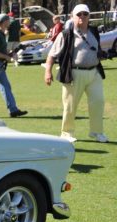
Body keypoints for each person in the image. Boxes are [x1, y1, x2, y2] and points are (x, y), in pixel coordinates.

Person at [44, 4, 108, 143]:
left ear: (89, 16)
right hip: (73, 73)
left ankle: (97, 132)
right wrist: (48, 72)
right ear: (73, 16)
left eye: (85, 14)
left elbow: (96, 49)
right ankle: (67, 133)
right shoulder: (65, 34)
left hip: (94, 72)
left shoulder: (94, 31)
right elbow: (52, 55)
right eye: (79, 14)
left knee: (98, 102)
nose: (82, 17)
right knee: (70, 105)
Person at [0, 14, 27, 117]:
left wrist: (13, 52)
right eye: (9, 21)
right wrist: (6, 56)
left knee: (5, 87)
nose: (10, 23)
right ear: (4, 22)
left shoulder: (1, 33)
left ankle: (13, 110)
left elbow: (1, 51)